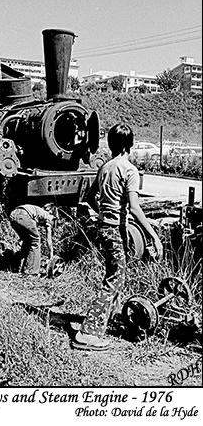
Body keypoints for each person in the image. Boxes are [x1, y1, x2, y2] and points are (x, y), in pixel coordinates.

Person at [72, 124, 163, 351]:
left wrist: (104, 212)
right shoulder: (129, 170)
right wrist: (153, 236)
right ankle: (87, 333)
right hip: (115, 230)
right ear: (130, 145)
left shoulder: (105, 167)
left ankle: (105, 321)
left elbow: (91, 198)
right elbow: (134, 207)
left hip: (105, 228)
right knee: (114, 279)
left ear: (111, 144)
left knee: (116, 277)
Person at [9, 203, 56, 275]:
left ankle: (21, 269)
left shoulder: (39, 211)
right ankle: (32, 272)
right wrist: (51, 255)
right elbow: (48, 239)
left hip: (13, 215)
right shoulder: (49, 216)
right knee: (36, 240)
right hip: (24, 216)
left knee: (27, 241)